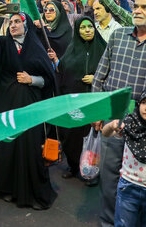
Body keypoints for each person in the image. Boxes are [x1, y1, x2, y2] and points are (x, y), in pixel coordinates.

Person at [92, 0, 146, 227]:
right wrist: (98, 111)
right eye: (135, 6)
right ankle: (109, 223)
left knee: (142, 184)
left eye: (144, 7)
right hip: (114, 118)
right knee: (108, 180)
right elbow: (100, 76)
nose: (137, 10)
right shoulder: (118, 36)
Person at [0, 12, 57, 210]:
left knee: (28, 148)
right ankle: (8, 188)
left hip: (30, 109)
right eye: (10, 22)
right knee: (8, 148)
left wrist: (32, 80)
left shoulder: (37, 48)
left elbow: (49, 80)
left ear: (26, 25)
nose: (13, 26)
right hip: (4, 106)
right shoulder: (2, 44)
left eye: (17, 22)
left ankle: (31, 193)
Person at [101, 89, 146, 227]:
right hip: (128, 188)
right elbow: (105, 134)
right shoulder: (130, 123)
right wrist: (111, 126)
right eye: (144, 102)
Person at [54, 17, 106, 185]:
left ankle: (91, 171)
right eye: (82, 27)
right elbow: (62, 73)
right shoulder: (71, 50)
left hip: (94, 103)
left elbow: (113, 73)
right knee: (71, 136)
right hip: (73, 102)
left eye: (90, 26)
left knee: (91, 137)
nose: (87, 30)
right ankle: (73, 166)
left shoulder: (104, 49)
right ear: (77, 30)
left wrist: (96, 79)